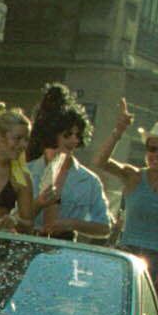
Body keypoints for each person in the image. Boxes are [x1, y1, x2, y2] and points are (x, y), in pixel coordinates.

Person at [86, 101, 158, 315]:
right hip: (126, 256)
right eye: (151, 148)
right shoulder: (134, 176)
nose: (156, 154)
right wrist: (118, 132)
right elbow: (100, 161)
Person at [26, 83, 111, 241]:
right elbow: (11, 218)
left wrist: (72, 224)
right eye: (67, 134)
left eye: (78, 135)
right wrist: (38, 204)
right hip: (29, 245)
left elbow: (105, 227)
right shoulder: (26, 172)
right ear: (51, 133)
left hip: (67, 250)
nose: (74, 140)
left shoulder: (89, 181)